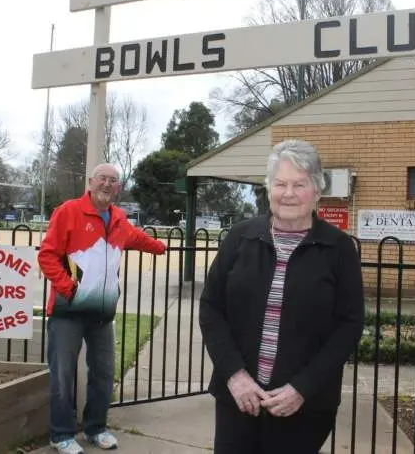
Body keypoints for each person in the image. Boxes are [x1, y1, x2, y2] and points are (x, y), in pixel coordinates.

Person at [199, 139, 365, 454]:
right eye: (280, 184)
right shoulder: (240, 237)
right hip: (239, 399)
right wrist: (235, 375)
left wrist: (301, 389)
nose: (288, 193)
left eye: (299, 184)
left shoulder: (339, 248)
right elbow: (211, 308)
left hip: (304, 405)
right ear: (269, 188)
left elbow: (349, 326)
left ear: (317, 190)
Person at [38, 163, 167, 454]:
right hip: (68, 312)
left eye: (113, 181)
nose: (107, 185)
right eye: (102, 179)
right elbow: (47, 255)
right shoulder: (68, 211)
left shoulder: (119, 219)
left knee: (104, 373)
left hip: (102, 315)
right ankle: (61, 435)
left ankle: (96, 428)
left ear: (118, 187)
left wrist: (160, 247)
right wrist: (69, 289)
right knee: (63, 375)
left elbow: (137, 239)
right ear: (91, 182)